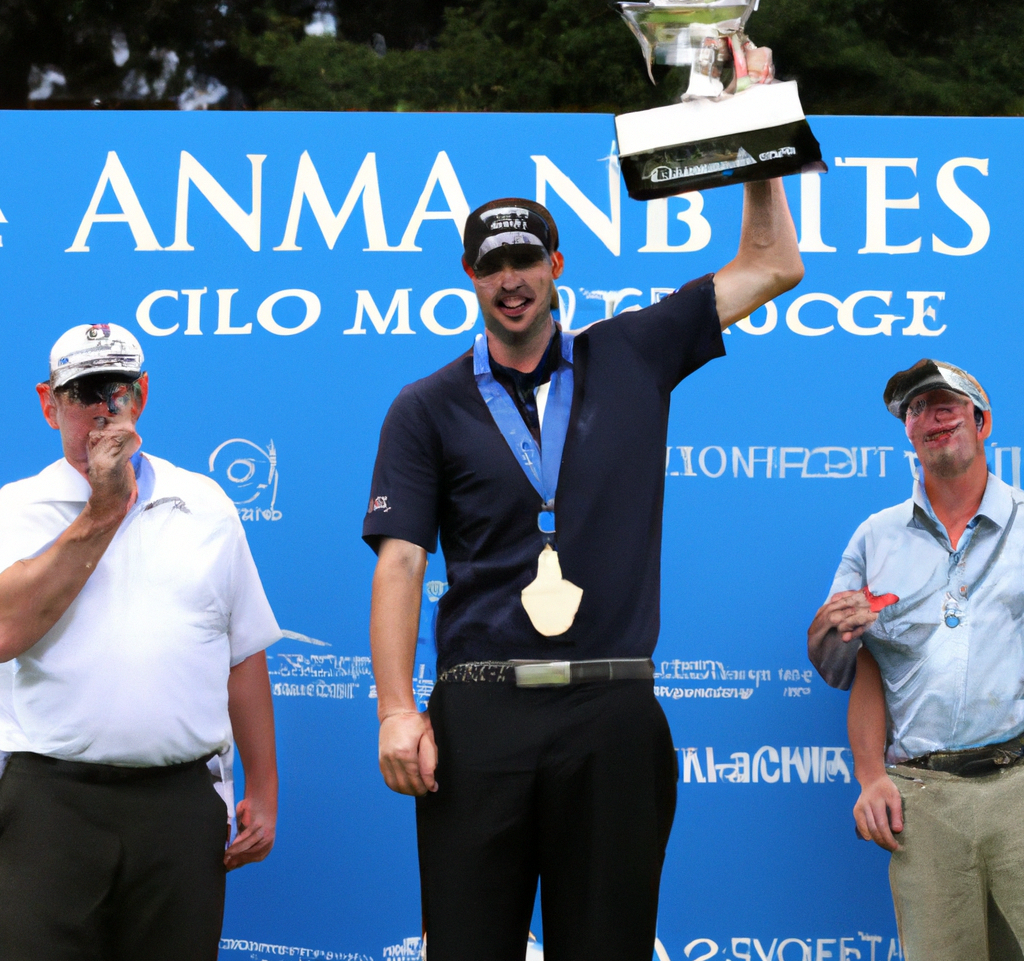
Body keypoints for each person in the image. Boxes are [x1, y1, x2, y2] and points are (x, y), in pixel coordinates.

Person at [363, 154, 803, 961]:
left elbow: (773, 266)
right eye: (491, 266)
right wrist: (397, 711)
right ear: (470, 277)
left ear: (556, 265)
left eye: (525, 259)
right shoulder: (426, 406)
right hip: (480, 717)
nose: (511, 280)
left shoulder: (633, 352)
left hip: (612, 714)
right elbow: (398, 566)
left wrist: (758, 150)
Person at [0, 323, 281, 961]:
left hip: (178, 805)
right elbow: (5, 629)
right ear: (49, 404)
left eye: (118, 388)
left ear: (143, 394)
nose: (104, 408)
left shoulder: (206, 505)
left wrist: (262, 789)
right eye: (83, 392)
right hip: (49, 803)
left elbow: (242, 653)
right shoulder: (13, 510)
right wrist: (104, 508)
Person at [807, 359, 1024, 960]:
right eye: (918, 408)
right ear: (908, 434)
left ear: (983, 424)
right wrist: (871, 776)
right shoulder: (875, 538)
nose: (934, 414)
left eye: (949, 402)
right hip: (923, 797)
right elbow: (849, 669)